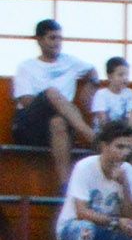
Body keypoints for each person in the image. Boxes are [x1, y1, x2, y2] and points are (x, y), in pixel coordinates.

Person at [13, 19, 98, 190]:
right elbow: (27, 102)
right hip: (30, 127)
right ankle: (93, 137)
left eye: (60, 38)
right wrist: (56, 101)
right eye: (52, 38)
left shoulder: (70, 61)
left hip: (61, 124)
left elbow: (92, 70)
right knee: (52, 92)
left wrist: (90, 85)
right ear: (39, 39)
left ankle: (65, 185)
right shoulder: (26, 67)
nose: (57, 43)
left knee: (58, 122)